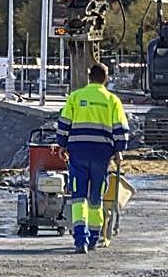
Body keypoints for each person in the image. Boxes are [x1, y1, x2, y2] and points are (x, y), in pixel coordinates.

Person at [55, 63, 129, 254]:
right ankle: (94, 238)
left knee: (78, 197)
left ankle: (81, 239)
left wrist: (62, 145)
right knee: (96, 198)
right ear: (106, 78)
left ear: (89, 77)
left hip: (78, 153)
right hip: (101, 155)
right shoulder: (112, 100)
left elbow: (64, 124)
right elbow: (120, 128)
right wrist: (119, 150)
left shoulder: (76, 97)